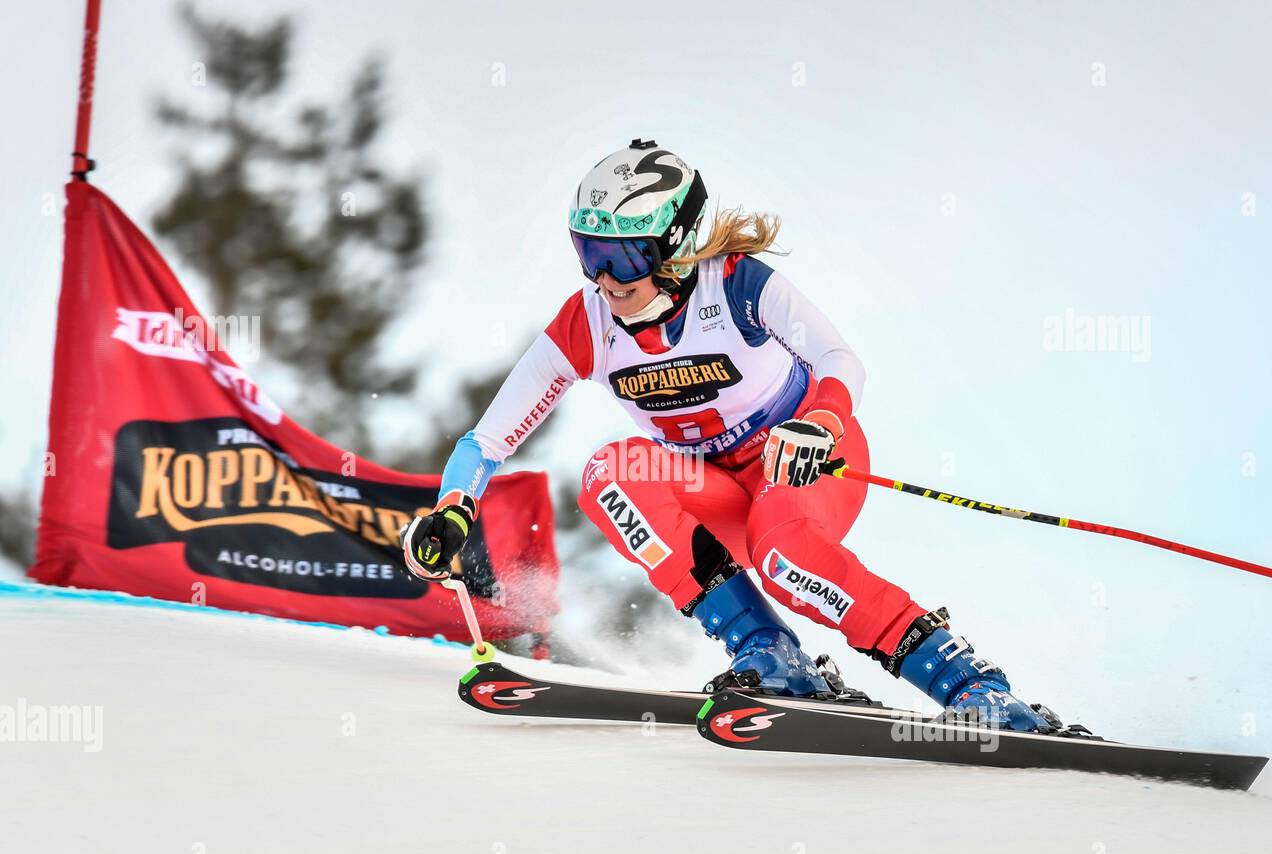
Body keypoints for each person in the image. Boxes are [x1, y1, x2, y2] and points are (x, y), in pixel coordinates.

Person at [402, 139, 1055, 731]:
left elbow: (840, 359)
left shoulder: (737, 284)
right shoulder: (587, 324)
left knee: (784, 555)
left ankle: (977, 688)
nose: (605, 279)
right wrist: (454, 507)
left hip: (804, 464)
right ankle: (770, 654)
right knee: (609, 475)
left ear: (676, 246)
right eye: (588, 253)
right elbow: (486, 442)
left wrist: (818, 423)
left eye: (623, 256)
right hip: (713, 488)